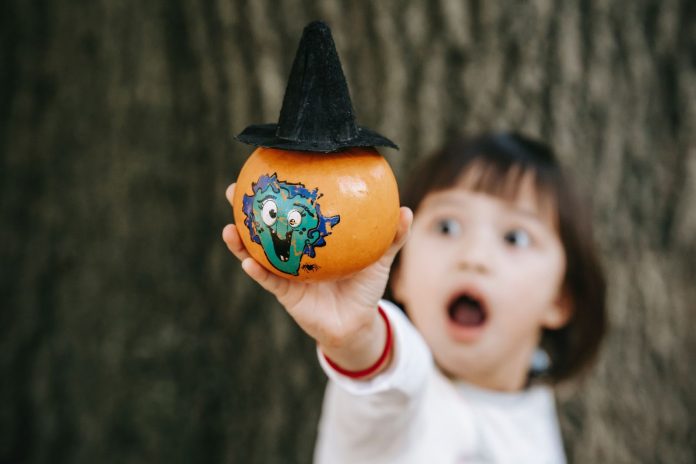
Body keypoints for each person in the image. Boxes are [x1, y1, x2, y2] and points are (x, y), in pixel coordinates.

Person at [222, 132, 606, 463]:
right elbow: (386, 372)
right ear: (400, 273)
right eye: (447, 226)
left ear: (559, 299)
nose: (473, 257)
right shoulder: (395, 394)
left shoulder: (533, 402)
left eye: (515, 238)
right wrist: (354, 339)